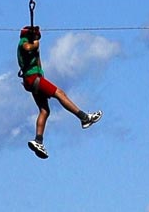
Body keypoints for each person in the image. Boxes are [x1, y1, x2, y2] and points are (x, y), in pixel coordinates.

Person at [16, 25, 101, 158]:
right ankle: (84, 118)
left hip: (34, 79)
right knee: (60, 93)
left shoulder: (33, 45)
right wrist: (35, 45)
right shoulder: (25, 42)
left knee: (45, 111)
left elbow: (38, 64)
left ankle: (38, 141)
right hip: (33, 78)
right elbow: (27, 47)